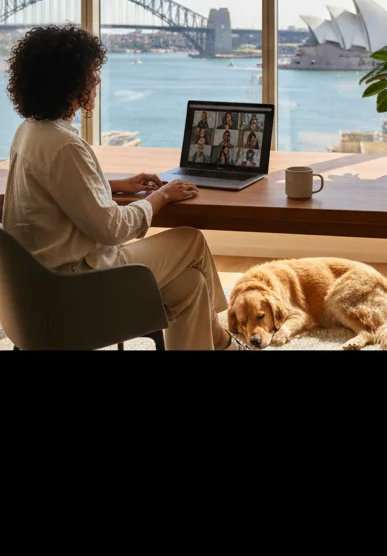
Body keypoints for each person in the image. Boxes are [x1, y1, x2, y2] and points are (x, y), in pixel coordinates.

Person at [0, 24, 251, 350]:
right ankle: (222, 342)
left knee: (190, 286)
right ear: (70, 82)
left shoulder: (30, 131)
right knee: (192, 240)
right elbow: (111, 229)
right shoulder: (64, 146)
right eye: (91, 73)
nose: (97, 80)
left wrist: (114, 185)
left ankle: (219, 341)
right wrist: (160, 197)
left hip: (38, 292)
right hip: (74, 287)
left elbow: (58, 188)